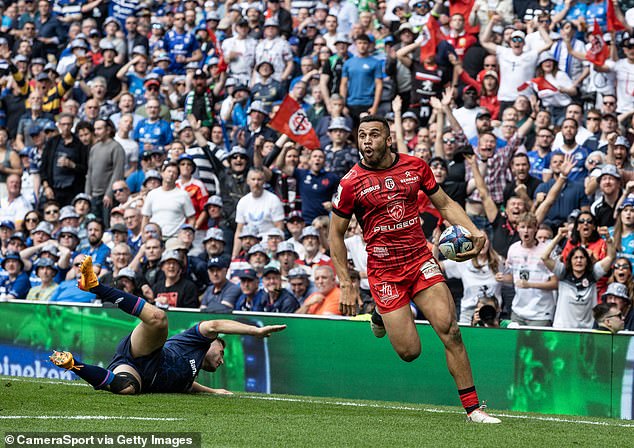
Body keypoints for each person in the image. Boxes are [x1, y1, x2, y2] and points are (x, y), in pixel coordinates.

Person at [329, 115, 500, 423]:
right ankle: (380, 313)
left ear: (388, 139)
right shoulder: (351, 183)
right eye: (362, 136)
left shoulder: (415, 167)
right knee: (410, 352)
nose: (366, 141)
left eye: (373, 135)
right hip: (385, 273)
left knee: (451, 331)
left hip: (420, 261)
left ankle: (473, 409)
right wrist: (346, 282)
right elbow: (335, 234)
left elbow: (445, 204)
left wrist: (474, 230)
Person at [50, 256, 285, 394]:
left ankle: (73, 365)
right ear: (212, 343)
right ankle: (95, 286)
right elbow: (214, 324)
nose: (222, 360)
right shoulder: (196, 340)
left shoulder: (189, 375)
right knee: (158, 319)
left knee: (126, 388)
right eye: (221, 352)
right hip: (148, 352)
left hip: (138, 371)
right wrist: (255, 331)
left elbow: (189, 385)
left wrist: (214, 391)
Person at [541, 226, 616, 329]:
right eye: (575, 258)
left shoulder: (594, 274)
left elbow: (611, 257)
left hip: (587, 330)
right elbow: (544, 257)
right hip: (563, 329)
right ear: (570, 261)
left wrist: (608, 238)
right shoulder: (562, 272)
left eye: (582, 257)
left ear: (587, 260)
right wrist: (558, 237)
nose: (579, 261)